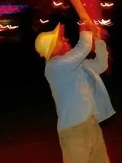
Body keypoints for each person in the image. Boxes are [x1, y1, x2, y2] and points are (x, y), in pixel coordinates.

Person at [35, 18, 115, 163]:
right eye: (60, 40)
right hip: (74, 131)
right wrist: (85, 31)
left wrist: (98, 40)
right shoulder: (54, 67)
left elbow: (101, 65)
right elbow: (83, 49)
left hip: (91, 125)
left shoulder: (75, 65)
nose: (65, 39)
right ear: (52, 49)